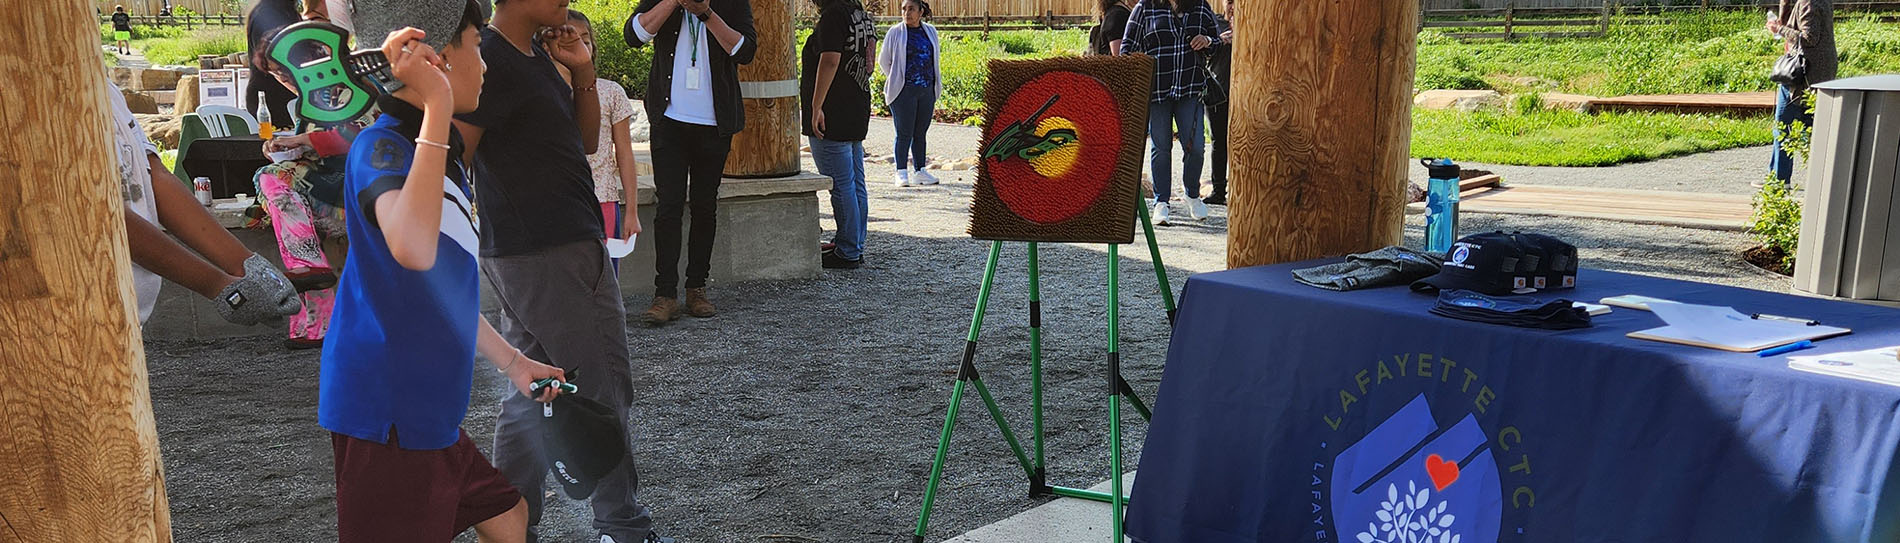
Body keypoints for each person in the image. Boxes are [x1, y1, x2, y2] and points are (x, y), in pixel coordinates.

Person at [319, 4, 569, 540]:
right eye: (477, 45)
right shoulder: (382, 147)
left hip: (426, 408)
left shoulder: (440, 157)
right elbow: (412, 247)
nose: (486, 64)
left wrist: (514, 362)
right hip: (387, 410)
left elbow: (439, 287)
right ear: (438, 57)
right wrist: (436, 104)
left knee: (508, 515)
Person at [456, 1, 666, 541]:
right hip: (547, 249)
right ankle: (623, 528)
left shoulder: (531, 54)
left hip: (541, 247)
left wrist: (583, 73)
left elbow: (586, 142)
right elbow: (455, 155)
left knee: (531, 390)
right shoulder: (491, 59)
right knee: (601, 386)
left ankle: (508, 524)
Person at [109, 80, 302, 328]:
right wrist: (217, 285)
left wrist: (247, 265)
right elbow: (102, 215)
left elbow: (152, 175)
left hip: (128, 316)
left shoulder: (107, 90)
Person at [625, 0, 758, 325]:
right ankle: (665, 294)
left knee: (704, 206)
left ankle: (696, 288)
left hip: (715, 122)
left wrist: (705, 13)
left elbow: (745, 50)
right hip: (669, 120)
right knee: (668, 206)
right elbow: (634, 34)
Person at [1120, 0, 1220, 226]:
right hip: (1156, 91)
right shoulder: (1146, 7)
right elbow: (1127, 48)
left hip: (1190, 88)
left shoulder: (1200, 6)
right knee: (1161, 147)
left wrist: (1207, 40)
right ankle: (1161, 202)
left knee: (1195, 147)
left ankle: (1192, 194)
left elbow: (1216, 42)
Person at [803, 0, 877, 270]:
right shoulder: (862, 15)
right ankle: (854, 245)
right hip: (857, 104)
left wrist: (816, 105)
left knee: (841, 183)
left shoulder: (833, 16)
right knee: (856, 181)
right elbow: (868, 63)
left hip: (833, 109)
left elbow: (831, 59)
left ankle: (847, 250)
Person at [571, 9, 643, 270]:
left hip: (603, 200)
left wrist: (632, 212)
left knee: (604, 279)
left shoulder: (611, 92)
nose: (579, 45)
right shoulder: (546, 92)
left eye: (585, 39)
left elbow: (624, 154)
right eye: (570, 38)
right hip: (560, 203)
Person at [1767, 0, 1836, 187]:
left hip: (1803, 74)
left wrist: (1778, 30)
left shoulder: (1808, 2)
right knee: (1811, 128)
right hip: (1818, 73)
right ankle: (1781, 179)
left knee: (1784, 126)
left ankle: (1779, 181)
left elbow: (1809, 38)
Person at [877, 0, 941, 188]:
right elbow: (884, 61)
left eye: (911, 9)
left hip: (926, 90)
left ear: (921, 11)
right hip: (904, 92)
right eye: (904, 9)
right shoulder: (895, 32)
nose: (907, 13)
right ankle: (901, 171)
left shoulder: (930, 31)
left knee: (920, 132)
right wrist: (897, 79)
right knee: (904, 132)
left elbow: (934, 57)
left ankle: (920, 170)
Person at [244, 0, 302, 125]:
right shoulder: (268, 13)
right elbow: (277, 61)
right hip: (273, 98)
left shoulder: (280, 10)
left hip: (279, 94)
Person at [1203, 0, 1233, 206]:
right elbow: (1203, 52)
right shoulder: (1215, 23)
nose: (1233, 6)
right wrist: (1219, 41)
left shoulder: (1253, 27)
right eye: (1229, 2)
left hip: (1249, 94)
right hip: (1219, 91)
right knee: (1218, 141)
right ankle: (1219, 189)